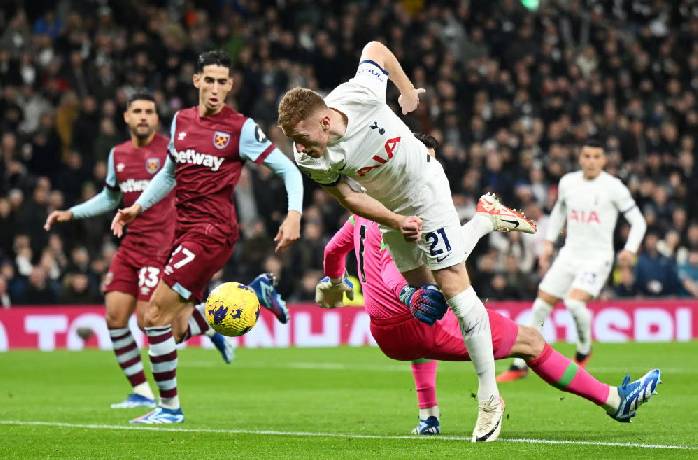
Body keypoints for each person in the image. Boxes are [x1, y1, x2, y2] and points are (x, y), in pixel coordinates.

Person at [278, 41, 535, 442]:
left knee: (456, 293)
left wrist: (408, 90)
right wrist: (397, 221)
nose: (300, 147)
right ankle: (484, 221)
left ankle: (489, 399)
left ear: (325, 120)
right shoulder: (312, 158)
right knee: (427, 294)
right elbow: (350, 198)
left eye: (302, 136)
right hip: (391, 212)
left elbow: (375, 48)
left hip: (426, 191)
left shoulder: (359, 94)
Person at [44, 93, 287, 409]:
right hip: (130, 246)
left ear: (158, 119)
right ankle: (142, 391)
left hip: (163, 247)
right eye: (137, 112)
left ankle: (215, 319)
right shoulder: (117, 154)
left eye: (149, 112)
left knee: (157, 327)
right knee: (115, 316)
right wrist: (72, 213)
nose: (143, 117)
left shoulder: (175, 148)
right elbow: (109, 198)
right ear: (126, 118)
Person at [321, 213, 660, 436]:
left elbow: (333, 251)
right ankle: (615, 400)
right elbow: (394, 264)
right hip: (411, 315)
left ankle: (429, 419)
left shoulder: (358, 216)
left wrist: (336, 282)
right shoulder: (400, 208)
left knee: (427, 329)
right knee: (530, 342)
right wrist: (408, 294)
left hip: (384, 334)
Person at [110, 51, 304, 424]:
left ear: (230, 86)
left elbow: (288, 170)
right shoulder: (181, 121)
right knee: (176, 329)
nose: (215, 89)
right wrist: (138, 207)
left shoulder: (240, 128)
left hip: (212, 232)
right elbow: (169, 173)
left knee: (152, 315)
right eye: (209, 80)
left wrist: (293, 214)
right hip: (183, 231)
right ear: (197, 80)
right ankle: (254, 294)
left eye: (222, 82)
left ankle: (169, 410)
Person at [498, 140, 647, 382]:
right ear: (580, 158)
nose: (591, 161)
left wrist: (630, 249)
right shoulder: (568, 182)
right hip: (569, 254)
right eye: (586, 156)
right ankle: (519, 365)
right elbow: (559, 212)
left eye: (596, 156)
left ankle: (584, 349)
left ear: (604, 160)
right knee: (540, 306)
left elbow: (639, 221)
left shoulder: (614, 187)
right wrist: (548, 243)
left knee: (574, 304)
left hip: (598, 258)